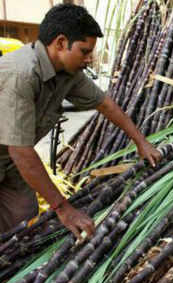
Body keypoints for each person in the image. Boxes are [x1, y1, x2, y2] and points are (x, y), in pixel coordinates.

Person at [0, 4, 161, 238]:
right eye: (84, 51)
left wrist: (140, 142)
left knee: (23, 215)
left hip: (8, 160)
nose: (89, 59)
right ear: (61, 43)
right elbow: (21, 151)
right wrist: (64, 209)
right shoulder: (22, 74)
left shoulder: (69, 73)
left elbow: (105, 104)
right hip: (13, 153)